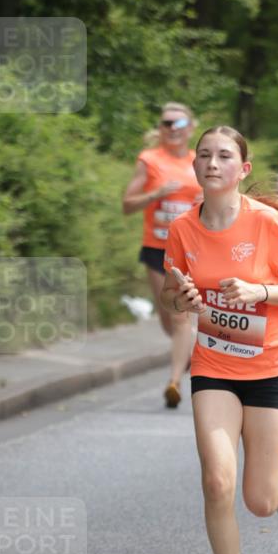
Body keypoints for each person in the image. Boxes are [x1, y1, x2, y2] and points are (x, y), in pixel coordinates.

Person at [161, 126, 278, 554]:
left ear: (242, 170)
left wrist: (259, 291)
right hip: (214, 367)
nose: (211, 162)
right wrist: (181, 298)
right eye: (204, 154)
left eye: (224, 156)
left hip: (270, 368)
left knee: (260, 502)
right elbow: (173, 296)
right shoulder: (183, 229)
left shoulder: (266, 222)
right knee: (216, 482)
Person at [122, 103, 202, 408]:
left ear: (190, 127)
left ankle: (174, 382)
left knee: (180, 317)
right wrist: (156, 194)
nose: (172, 128)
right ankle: (196, 360)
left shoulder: (201, 161)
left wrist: (206, 199)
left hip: (190, 250)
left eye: (179, 123)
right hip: (157, 249)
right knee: (169, 323)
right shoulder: (149, 160)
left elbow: (226, 199)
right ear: (161, 128)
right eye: (167, 123)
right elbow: (127, 205)